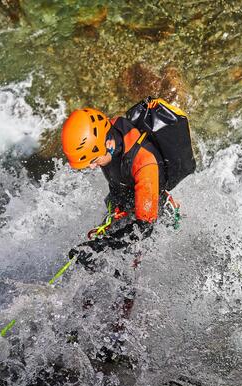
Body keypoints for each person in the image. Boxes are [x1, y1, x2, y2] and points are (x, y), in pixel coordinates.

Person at [61, 107, 168, 267]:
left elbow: (145, 227)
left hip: (155, 219)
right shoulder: (110, 133)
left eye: (93, 160)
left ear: (108, 144)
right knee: (93, 260)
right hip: (126, 203)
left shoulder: (144, 163)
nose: (91, 167)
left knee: (128, 274)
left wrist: (100, 246)